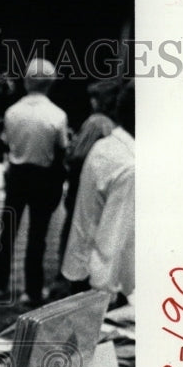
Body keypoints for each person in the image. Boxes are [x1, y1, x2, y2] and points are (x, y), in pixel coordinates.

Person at [0, 58, 69, 307]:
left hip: (17, 175)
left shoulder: (11, 112)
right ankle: (32, 291)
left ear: (26, 81)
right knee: (37, 236)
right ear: (51, 84)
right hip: (43, 179)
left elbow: (5, 143)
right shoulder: (58, 115)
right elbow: (61, 150)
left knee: (8, 231)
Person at [55, 81, 135, 303]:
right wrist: (105, 299)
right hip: (102, 284)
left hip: (81, 266)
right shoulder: (130, 165)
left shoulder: (106, 145)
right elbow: (113, 238)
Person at [58, 79, 118, 262]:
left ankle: (64, 280)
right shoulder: (114, 125)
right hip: (102, 192)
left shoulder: (96, 122)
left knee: (71, 234)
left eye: (94, 98)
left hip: (82, 189)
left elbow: (78, 156)